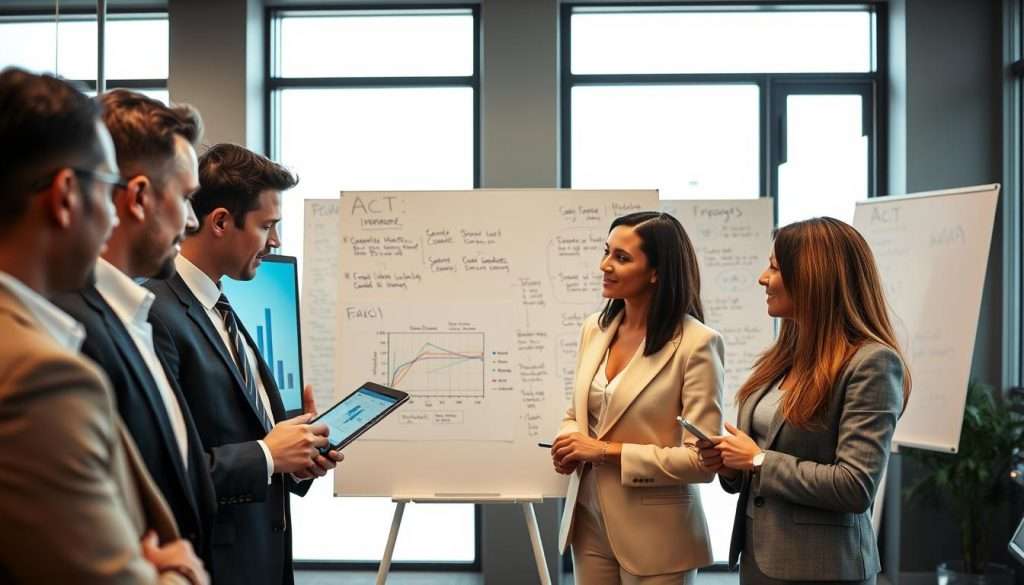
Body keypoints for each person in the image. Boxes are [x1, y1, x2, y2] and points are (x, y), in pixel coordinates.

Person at [0, 67, 207, 584]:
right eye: (107, 185)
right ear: (67, 195)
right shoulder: (37, 373)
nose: (114, 214)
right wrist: (180, 572)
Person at [146, 143, 342, 585]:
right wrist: (268, 455)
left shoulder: (220, 307)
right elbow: (166, 472)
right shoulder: (158, 315)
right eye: (267, 226)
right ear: (219, 222)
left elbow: (249, 438)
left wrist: (295, 456)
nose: (276, 241)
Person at [53, 89, 217, 569]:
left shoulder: (139, 317)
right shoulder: (69, 330)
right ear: (140, 197)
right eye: (187, 199)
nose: (191, 222)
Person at [699, 216, 911, 585]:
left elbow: (855, 486)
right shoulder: (783, 357)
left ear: (812, 278)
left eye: (775, 268)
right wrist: (731, 466)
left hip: (824, 570)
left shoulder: (872, 363)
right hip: (759, 561)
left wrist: (758, 460)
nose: (762, 278)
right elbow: (756, 461)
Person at [550, 211, 725, 584]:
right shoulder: (594, 329)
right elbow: (577, 413)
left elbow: (701, 461)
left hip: (658, 533)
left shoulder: (697, 344)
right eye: (606, 252)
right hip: (588, 519)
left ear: (656, 272)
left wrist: (603, 452)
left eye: (622, 258)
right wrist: (568, 442)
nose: (605, 265)